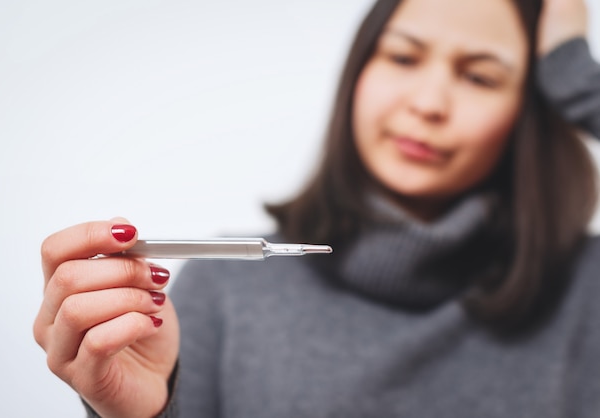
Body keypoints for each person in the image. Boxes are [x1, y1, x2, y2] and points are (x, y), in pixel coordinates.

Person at [33, 0, 600, 416]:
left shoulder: (587, 295)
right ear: (358, 73)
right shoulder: (222, 291)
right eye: (403, 57)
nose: (428, 103)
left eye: (479, 76)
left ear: (530, 110)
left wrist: (577, 79)